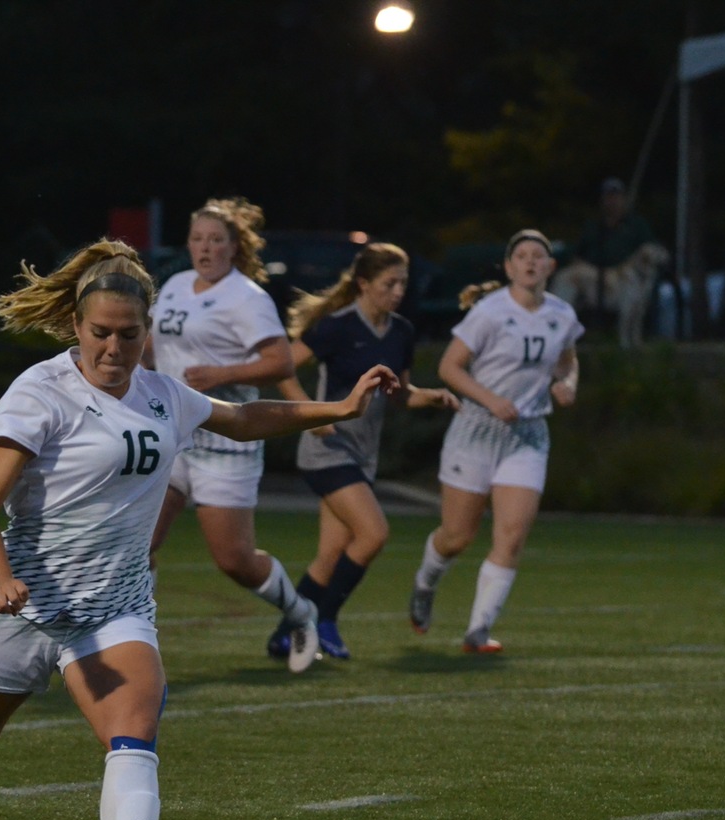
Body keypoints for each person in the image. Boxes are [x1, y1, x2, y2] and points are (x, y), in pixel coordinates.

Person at [0, 241, 399, 820]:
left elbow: (242, 419)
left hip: (114, 612)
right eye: (100, 334)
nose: (114, 349)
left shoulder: (162, 394)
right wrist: (0, 577)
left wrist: (337, 405)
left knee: (133, 736)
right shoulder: (40, 393)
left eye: (128, 335)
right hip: (21, 611)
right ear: (76, 328)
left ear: (147, 331)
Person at [144, 198, 319, 672]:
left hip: (226, 441)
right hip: (172, 435)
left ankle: (302, 613)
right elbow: (152, 344)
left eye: (216, 240)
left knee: (235, 560)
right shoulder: (176, 286)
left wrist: (221, 375)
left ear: (234, 246)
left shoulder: (247, 297)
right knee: (136, 545)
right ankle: (133, 640)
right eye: (198, 239)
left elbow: (280, 361)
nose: (205, 248)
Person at [265, 243, 458, 661]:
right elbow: (284, 368)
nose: (398, 291)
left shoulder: (401, 332)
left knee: (331, 555)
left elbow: (401, 394)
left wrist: (434, 397)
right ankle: (326, 620)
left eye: (403, 283)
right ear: (364, 284)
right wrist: (311, 417)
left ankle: (288, 633)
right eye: (390, 283)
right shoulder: (337, 326)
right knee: (373, 533)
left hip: (360, 456)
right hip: (326, 450)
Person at [407, 230, 581, 653]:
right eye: (521, 256)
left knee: (512, 536)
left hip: (527, 435)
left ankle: (478, 631)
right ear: (508, 268)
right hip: (477, 430)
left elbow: (567, 363)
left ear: (550, 267)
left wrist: (568, 385)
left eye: (538, 257)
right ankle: (425, 583)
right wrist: (489, 399)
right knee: (457, 536)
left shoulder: (561, 314)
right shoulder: (489, 312)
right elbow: (450, 367)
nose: (530, 263)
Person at [576, 178, 656, 271]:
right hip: (594, 278)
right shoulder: (591, 226)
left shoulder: (637, 225)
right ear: (602, 200)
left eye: (616, 196)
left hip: (627, 279)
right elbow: (578, 254)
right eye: (608, 197)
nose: (613, 201)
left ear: (624, 199)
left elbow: (651, 250)